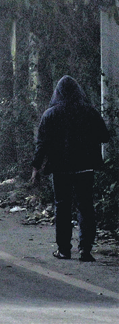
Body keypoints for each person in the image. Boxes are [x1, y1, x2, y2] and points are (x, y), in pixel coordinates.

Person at [31, 75, 111, 262]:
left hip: (60, 169)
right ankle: (85, 250)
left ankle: (64, 249)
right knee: (86, 206)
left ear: (57, 93)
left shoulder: (50, 114)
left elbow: (41, 145)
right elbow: (104, 136)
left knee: (63, 207)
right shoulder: (89, 112)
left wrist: (36, 169)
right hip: (85, 167)